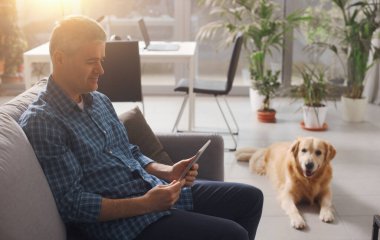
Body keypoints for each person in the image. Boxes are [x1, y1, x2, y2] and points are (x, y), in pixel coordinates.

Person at [19, 15, 263, 240]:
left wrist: (166, 171)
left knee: (251, 198)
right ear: (60, 58)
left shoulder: (99, 100)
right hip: (125, 223)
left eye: (101, 60)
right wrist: (146, 203)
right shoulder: (44, 121)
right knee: (233, 234)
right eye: (91, 61)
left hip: (151, 189)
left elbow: (129, 151)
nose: (101, 70)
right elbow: (72, 203)